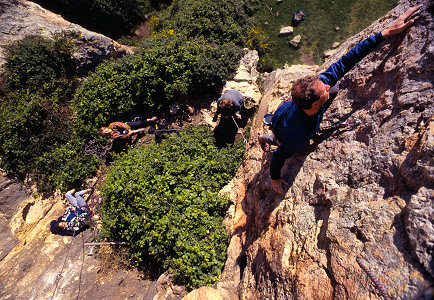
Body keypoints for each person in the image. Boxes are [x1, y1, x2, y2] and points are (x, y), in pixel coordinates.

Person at [260, 5, 422, 194]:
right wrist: (274, 178)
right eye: (323, 89)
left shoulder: (318, 86)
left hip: (286, 115)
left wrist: (385, 33)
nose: (326, 84)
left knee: (335, 88)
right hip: (289, 131)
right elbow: (279, 157)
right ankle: (271, 137)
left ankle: (271, 134)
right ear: (314, 104)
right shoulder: (298, 133)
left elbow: (347, 60)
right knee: (297, 146)